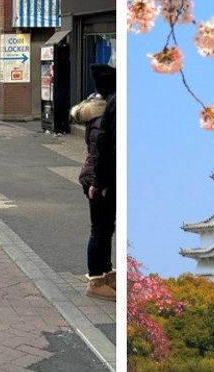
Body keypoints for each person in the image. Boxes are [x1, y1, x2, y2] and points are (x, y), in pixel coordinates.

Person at [73, 64, 117, 300]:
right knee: (100, 230)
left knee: (105, 229)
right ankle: (96, 280)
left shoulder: (101, 111)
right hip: (98, 179)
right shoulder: (105, 115)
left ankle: (106, 273)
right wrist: (98, 184)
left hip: (98, 176)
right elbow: (103, 152)